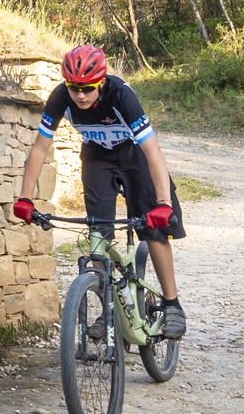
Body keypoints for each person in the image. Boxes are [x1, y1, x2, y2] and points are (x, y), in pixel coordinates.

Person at [13, 43, 187, 337]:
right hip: (97, 155)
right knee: (97, 234)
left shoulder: (121, 95)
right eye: (74, 88)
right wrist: (25, 198)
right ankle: (109, 311)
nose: (80, 95)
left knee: (153, 228)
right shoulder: (60, 97)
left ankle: (172, 305)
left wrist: (163, 203)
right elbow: (40, 148)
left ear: (101, 82)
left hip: (134, 154)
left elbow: (153, 151)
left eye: (87, 89)